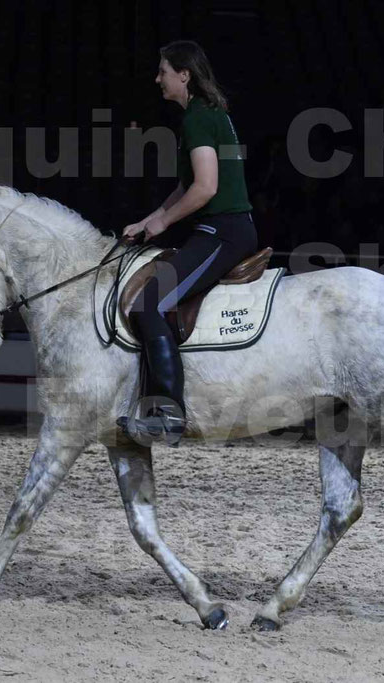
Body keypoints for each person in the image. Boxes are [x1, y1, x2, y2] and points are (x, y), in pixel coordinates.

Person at [119, 40, 257, 447]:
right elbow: (185, 186)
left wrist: (162, 221)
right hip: (221, 228)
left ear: (184, 74)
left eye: (163, 71)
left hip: (224, 232)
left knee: (148, 305)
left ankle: (167, 416)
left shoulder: (198, 118)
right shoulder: (209, 114)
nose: (157, 78)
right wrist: (148, 220)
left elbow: (205, 188)